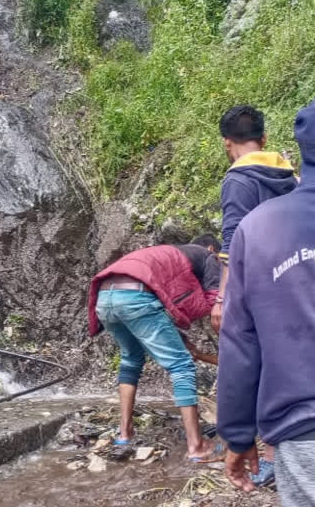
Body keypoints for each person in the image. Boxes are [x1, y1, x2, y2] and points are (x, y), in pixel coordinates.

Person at [217, 102, 315, 506]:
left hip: (304, 429)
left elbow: (240, 339)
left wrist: (238, 434)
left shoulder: (255, 226)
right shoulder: (280, 178)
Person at [88, 236, 223, 461]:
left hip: (105, 296)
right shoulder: (209, 256)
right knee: (182, 366)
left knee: (131, 359)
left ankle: (124, 434)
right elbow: (212, 299)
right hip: (136, 296)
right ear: (211, 248)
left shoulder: (167, 254)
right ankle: (196, 446)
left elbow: (163, 307)